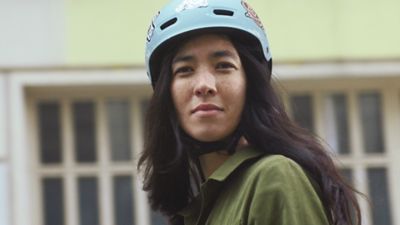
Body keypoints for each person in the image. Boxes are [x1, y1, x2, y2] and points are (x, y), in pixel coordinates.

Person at [139, 0, 361, 224]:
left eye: (223, 65)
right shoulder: (198, 210)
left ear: (250, 83)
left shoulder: (274, 177)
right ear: (167, 94)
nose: (204, 85)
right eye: (185, 70)